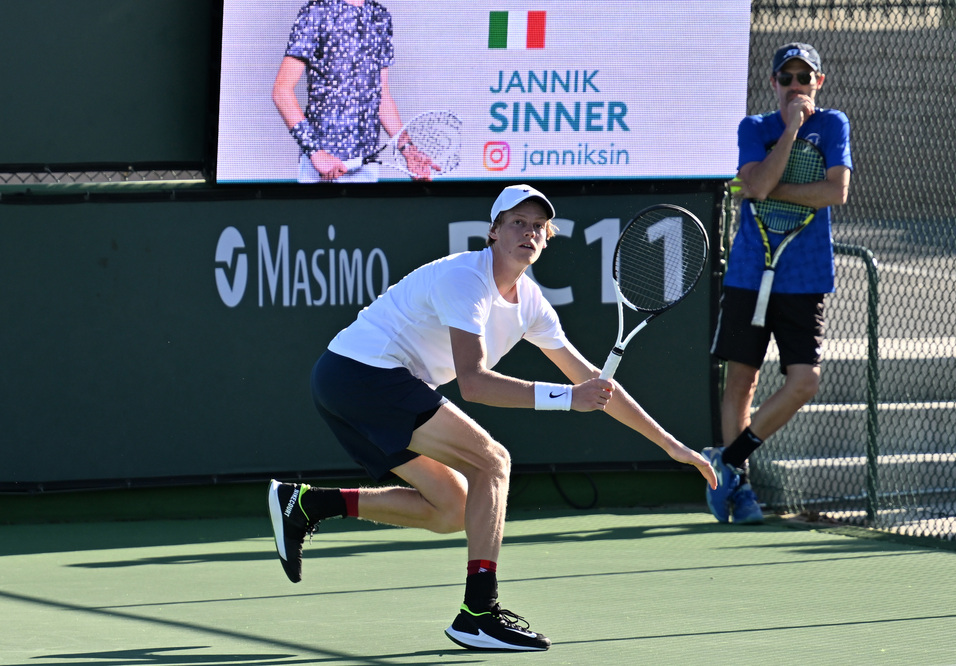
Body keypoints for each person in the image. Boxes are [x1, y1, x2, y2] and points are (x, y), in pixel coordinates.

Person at [267, 184, 718, 652]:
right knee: (493, 461)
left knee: (452, 508)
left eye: (538, 226)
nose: (528, 232)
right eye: (517, 223)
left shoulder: (532, 305)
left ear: (547, 239)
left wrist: (672, 445)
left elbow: (593, 383)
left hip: (350, 382)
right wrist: (568, 398)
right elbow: (475, 384)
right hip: (364, 373)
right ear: (494, 232)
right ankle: (478, 612)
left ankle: (307, 504)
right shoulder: (467, 279)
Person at [706, 43, 853, 524]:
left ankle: (726, 461)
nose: (795, 86)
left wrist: (767, 188)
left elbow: (835, 191)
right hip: (751, 271)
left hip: (805, 277)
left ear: (818, 83)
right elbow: (755, 184)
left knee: (804, 381)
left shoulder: (833, 125)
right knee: (741, 383)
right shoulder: (754, 128)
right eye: (786, 78)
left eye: (803, 79)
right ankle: (741, 490)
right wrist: (790, 130)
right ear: (774, 84)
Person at [272, 0, 435, 182]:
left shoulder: (379, 16)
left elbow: (381, 96)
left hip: (367, 165)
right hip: (323, 167)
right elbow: (281, 91)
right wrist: (315, 153)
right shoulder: (316, 12)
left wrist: (408, 149)